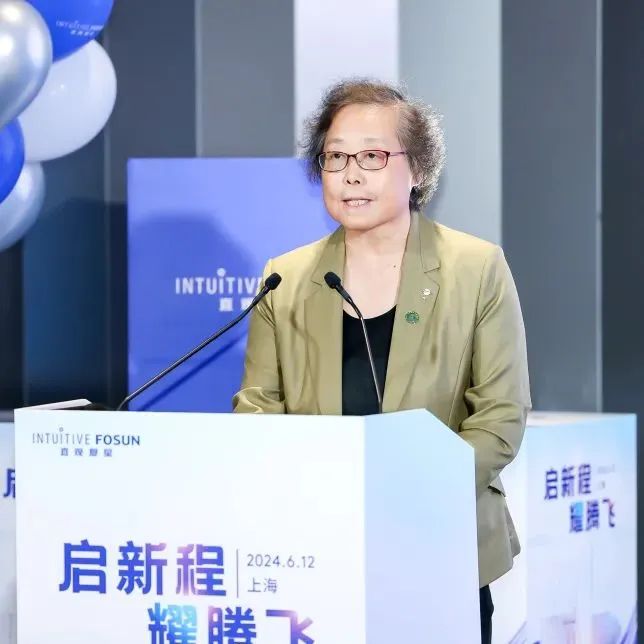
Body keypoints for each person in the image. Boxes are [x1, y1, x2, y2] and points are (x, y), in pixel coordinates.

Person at [233, 78, 531, 643]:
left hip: (439, 546)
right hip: (317, 548)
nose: (351, 174)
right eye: (335, 157)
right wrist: (317, 496)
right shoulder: (285, 277)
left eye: (371, 156)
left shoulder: (476, 268)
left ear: (417, 168)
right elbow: (257, 409)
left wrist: (407, 495)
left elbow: (499, 418)